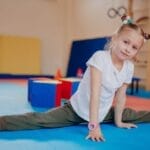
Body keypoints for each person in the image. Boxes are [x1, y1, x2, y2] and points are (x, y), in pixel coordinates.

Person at [0, 15, 150, 142]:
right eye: (126, 42)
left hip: (102, 113)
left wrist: (119, 122)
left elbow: (121, 96)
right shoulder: (100, 58)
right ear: (115, 38)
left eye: (134, 47)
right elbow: (94, 94)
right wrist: (94, 126)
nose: (128, 49)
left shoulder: (129, 67)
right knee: (41, 120)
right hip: (76, 110)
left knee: (131, 115)